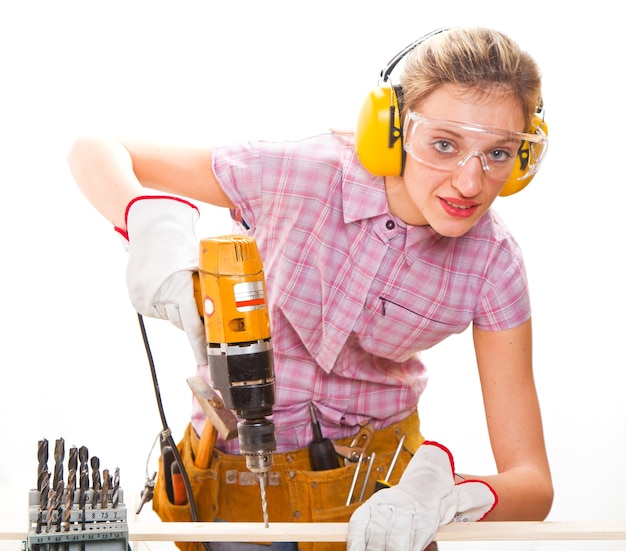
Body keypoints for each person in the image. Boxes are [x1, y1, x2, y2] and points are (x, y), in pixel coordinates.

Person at [67, 26, 553, 551]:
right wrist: (144, 223)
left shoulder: (493, 263)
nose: (470, 183)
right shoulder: (299, 175)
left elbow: (533, 484)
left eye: (499, 154)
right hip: (231, 492)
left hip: (378, 499)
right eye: (444, 144)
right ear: (392, 131)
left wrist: (452, 496)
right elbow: (97, 149)